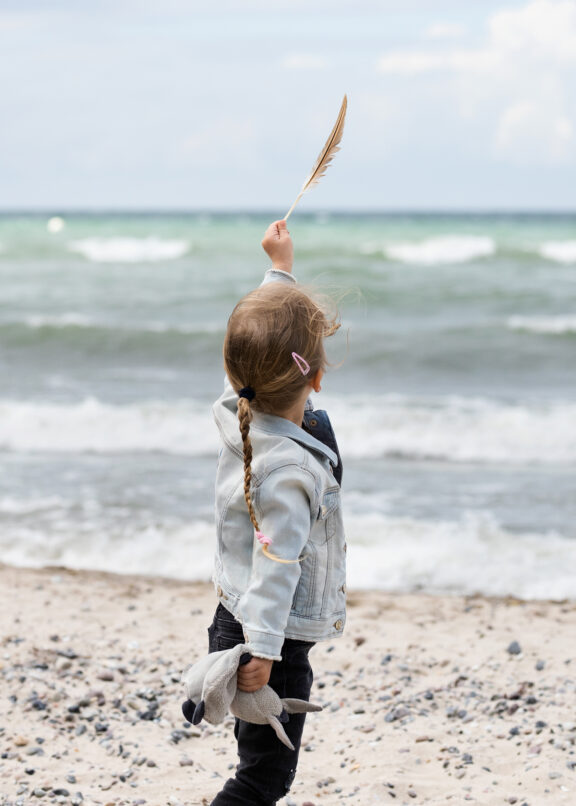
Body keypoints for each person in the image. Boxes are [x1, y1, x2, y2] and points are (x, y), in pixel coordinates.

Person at [207, 218, 347, 805]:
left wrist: (279, 270)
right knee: (263, 778)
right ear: (315, 375)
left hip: (231, 615)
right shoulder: (289, 473)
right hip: (269, 639)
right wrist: (263, 653)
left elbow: (252, 351)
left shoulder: (234, 400)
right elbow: (278, 565)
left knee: (255, 763)